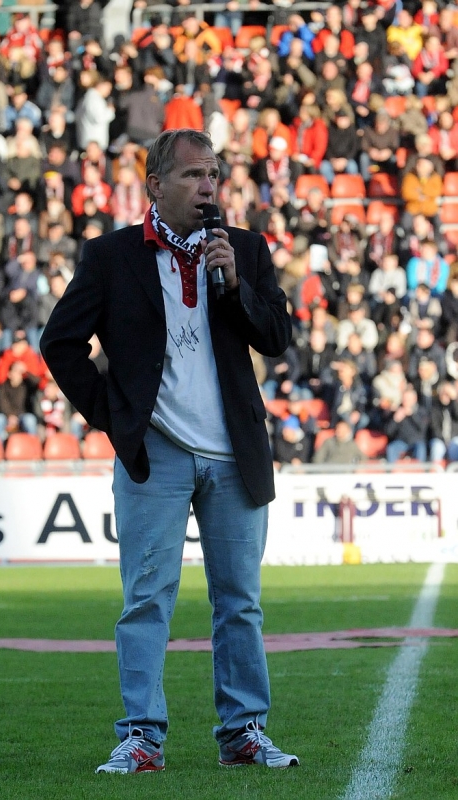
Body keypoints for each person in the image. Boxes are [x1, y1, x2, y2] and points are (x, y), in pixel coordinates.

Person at [40, 129, 298, 774]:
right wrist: (114, 418)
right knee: (146, 600)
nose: (207, 186)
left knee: (239, 602)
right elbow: (59, 343)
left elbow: (277, 338)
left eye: (213, 174)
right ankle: (141, 736)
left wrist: (236, 285)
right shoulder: (111, 256)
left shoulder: (244, 249)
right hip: (155, 455)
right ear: (155, 185)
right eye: (192, 175)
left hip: (235, 453)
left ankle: (243, 732)